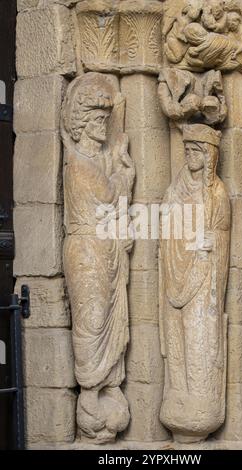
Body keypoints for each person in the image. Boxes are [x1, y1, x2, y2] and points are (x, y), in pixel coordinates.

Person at [61, 72, 135, 443]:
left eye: (106, 119)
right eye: (97, 120)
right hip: (87, 252)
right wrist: (124, 169)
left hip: (104, 250)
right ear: (80, 125)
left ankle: (108, 385)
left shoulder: (95, 162)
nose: (103, 126)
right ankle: (90, 393)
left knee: (109, 315)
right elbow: (110, 195)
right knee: (92, 321)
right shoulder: (79, 165)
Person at [159, 124, 230, 442]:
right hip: (175, 273)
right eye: (186, 149)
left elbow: (221, 235)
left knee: (199, 334)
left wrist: (209, 241)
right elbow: (165, 222)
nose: (189, 155)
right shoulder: (175, 188)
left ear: (209, 155)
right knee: (177, 337)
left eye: (196, 150)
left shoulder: (217, 194)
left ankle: (201, 401)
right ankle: (178, 396)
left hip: (203, 277)